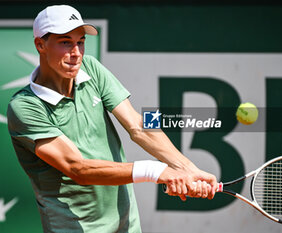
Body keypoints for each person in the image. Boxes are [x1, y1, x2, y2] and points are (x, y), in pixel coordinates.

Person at [7, 5, 218, 233]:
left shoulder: (91, 68)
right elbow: (77, 168)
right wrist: (155, 171)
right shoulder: (24, 106)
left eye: (80, 42)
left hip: (126, 225)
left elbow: (139, 125)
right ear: (40, 45)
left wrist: (187, 168)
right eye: (65, 42)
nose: (76, 52)